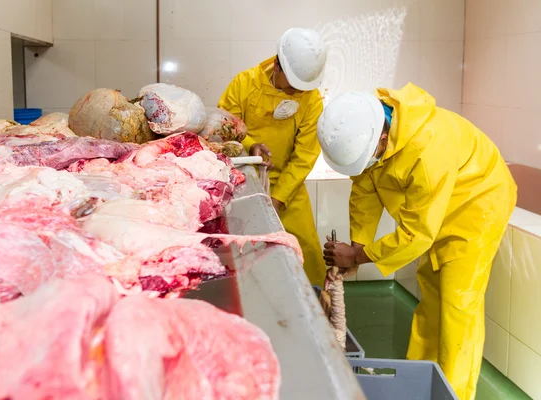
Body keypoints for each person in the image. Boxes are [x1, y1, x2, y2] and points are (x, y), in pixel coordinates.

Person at [317, 83, 517, 400]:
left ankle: (455, 393)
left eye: (370, 156)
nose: (368, 162)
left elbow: (417, 234)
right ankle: (422, 376)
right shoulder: (374, 132)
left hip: (478, 203)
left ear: (382, 137)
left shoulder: (427, 148)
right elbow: (365, 192)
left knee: (457, 304)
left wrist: (358, 257)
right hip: (439, 204)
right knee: (432, 292)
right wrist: (358, 244)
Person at [218, 28, 329, 286]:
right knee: (245, 252)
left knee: (308, 252)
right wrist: (249, 146)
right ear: (277, 65)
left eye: (301, 88)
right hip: (242, 180)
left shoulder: (312, 101)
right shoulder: (244, 84)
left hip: (288, 186)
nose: (295, 93)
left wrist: (277, 200)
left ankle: (314, 309)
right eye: (292, 86)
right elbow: (224, 129)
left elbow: (304, 156)